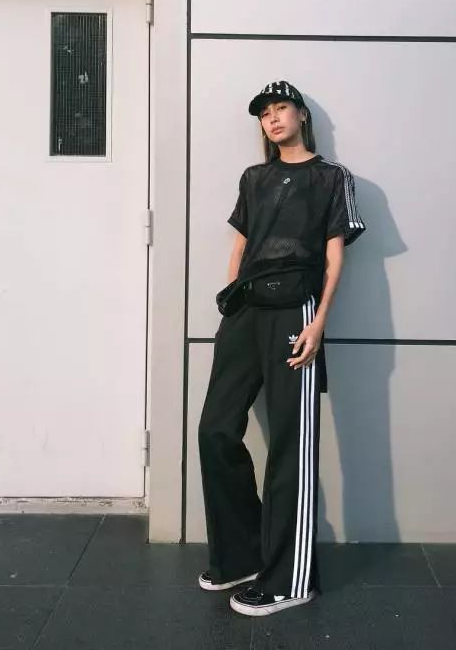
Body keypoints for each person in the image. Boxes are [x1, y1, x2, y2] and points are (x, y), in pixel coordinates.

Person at [197, 80, 366, 616]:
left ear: (301, 115)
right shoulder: (254, 178)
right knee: (215, 430)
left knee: (291, 445)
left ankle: (291, 579)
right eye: (264, 114)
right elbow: (242, 245)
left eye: (280, 109)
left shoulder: (331, 177)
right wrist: (230, 303)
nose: (272, 119)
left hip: (296, 311)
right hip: (246, 311)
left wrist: (319, 323)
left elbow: (335, 258)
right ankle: (243, 555)